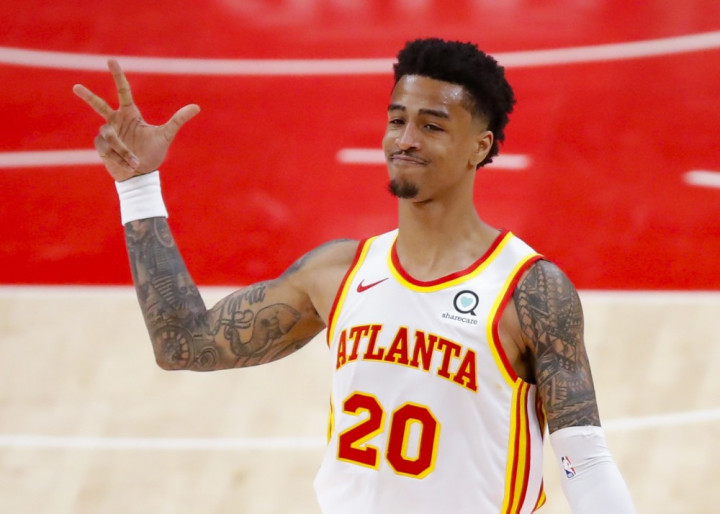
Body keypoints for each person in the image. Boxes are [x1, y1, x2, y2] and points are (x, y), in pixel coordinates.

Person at [73, 38, 635, 513]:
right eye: (397, 120)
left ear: (479, 147)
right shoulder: (337, 273)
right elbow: (183, 344)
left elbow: (584, 462)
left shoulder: (528, 290)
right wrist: (137, 186)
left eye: (432, 125)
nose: (405, 139)